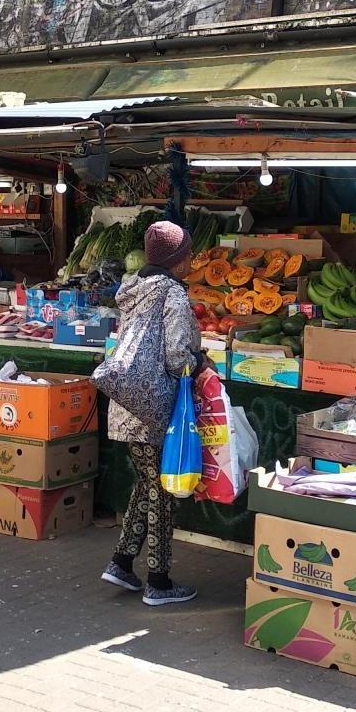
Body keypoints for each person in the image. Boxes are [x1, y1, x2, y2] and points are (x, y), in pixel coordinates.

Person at [100, 221, 202, 607]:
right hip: (154, 407)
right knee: (161, 490)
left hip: (126, 403)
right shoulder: (172, 293)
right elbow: (177, 355)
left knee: (147, 483)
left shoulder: (134, 289)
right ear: (177, 259)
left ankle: (122, 562)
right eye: (188, 252)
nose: (191, 259)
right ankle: (158, 581)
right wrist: (199, 360)